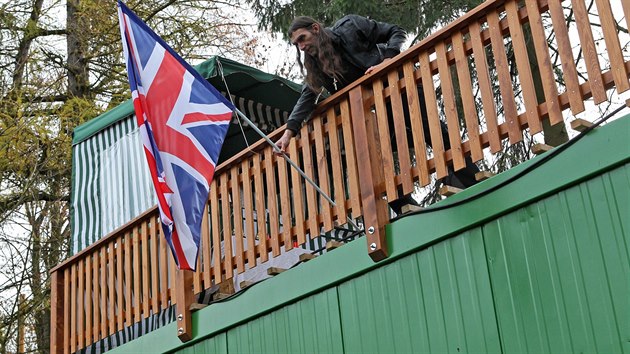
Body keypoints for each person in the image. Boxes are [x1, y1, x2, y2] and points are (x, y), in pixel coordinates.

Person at [275, 15, 479, 213]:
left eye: (302, 38)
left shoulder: (350, 26)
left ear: (315, 29)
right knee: (375, 156)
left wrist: (387, 61)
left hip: (398, 85)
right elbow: (307, 97)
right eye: (296, 44)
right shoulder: (316, 64)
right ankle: (405, 207)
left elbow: (395, 31)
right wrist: (288, 133)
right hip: (376, 107)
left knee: (431, 130)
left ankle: (472, 179)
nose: (301, 46)